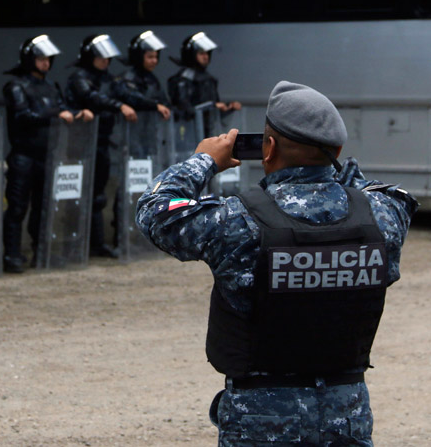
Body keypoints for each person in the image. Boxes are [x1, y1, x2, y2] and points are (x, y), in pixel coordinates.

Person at [136, 81, 418, 445]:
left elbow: (154, 211)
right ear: (338, 150)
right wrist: (336, 169)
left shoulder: (239, 221)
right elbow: (378, 191)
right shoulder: (383, 216)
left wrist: (203, 160)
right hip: (346, 414)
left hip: (261, 417)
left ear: (267, 148)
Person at [2, 35, 92, 273]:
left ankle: (40, 252)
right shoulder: (16, 86)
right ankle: (11, 255)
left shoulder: (51, 87)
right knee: (17, 207)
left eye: (48, 58)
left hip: (47, 155)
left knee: (43, 207)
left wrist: (79, 113)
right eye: (40, 58)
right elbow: (23, 116)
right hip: (23, 155)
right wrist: (55, 114)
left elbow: (63, 109)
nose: (45, 63)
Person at [65, 34, 137, 258]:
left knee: (98, 194)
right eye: (101, 57)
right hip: (81, 144)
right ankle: (74, 243)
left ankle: (95, 244)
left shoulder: (108, 78)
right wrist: (119, 106)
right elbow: (91, 97)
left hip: (102, 141)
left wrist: (154, 104)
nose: (106, 61)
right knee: (79, 193)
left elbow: (127, 94)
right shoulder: (79, 77)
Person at [168, 32, 241, 137]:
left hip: (207, 131)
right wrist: (212, 106)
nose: (206, 57)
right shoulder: (183, 80)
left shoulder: (209, 79)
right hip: (188, 133)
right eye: (201, 53)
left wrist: (229, 107)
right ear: (191, 54)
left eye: (207, 53)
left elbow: (215, 111)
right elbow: (184, 110)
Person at [112, 30, 171, 122]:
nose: (154, 61)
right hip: (130, 128)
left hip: (150, 128)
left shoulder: (152, 78)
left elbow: (163, 100)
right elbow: (132, 98)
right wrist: (155, 106)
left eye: (156, 57)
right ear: (138, 57)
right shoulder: (128, 78)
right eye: (150, 57)